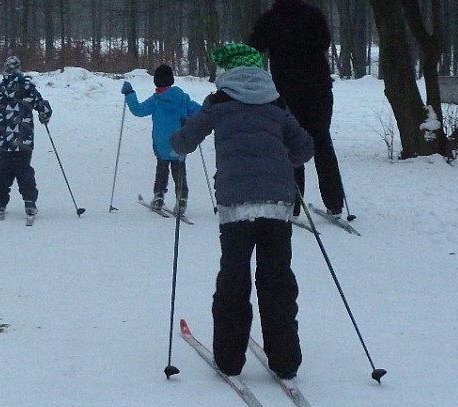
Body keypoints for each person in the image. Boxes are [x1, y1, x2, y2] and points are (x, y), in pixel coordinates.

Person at [170, 42, 314, 380]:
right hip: (278, 204)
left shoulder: (218, 103)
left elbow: (181, 143)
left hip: (236, 206)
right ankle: (286, 361)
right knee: (277, 280)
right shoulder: (277, 104)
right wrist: (282, 161)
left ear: (226, 72)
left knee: (234, 279)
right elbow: (304, 148)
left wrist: (181, 131)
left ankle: (230, 360)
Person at [249, 0, 346, 216]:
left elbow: (252, 48)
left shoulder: (269, 20)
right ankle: (334, 203)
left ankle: (293, 205)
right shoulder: (314, 15)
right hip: (319, 90)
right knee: (322, 141)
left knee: (292, 146)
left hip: (287, 93)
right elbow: (325, 42)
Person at [0, 56, 52, 218]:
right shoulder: (28, 88)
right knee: (24, 168)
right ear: (20, 69)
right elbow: (43, 107)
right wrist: (44, 115)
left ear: (5, 70)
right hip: (24, 137)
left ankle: (1, 201)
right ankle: (29, 201)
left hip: (3, 137)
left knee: (5, 168)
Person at [121, 64, 200, 215]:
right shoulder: (183, 98)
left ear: (156, 82)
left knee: (161, 172)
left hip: (161, 144)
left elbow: (138, 110)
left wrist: (129, 94)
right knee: (180, 173)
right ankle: (182, 199)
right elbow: (199, 111)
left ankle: (158, 198)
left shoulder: (156, 100)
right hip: (179, 144)